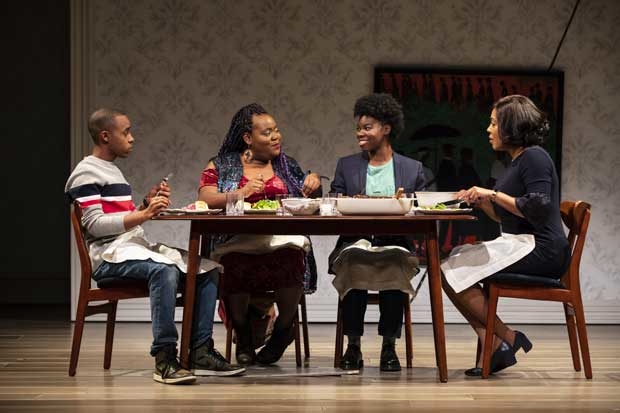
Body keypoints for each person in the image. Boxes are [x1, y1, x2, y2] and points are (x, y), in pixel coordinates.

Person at [65, 108, 245, 385]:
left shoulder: (110, 170)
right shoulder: (86, 173)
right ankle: (164, 358)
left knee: (207, 270)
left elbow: (117, 218)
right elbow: (96, 226)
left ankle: (199, 351)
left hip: (130, 248)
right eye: (125, 132)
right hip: (109, 259)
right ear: (105, 136)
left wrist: (144, 205)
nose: (132, 138)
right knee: (164, 271)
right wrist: (145, 215)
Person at [440, 95, 570, 376]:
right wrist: (484, 202)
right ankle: (495, 343)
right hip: (523, 243)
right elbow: (506, 218)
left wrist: (493, 193)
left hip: (543, 250)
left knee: (455, 268)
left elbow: (537, 208)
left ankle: (507, 339)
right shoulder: (517, 161)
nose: (488, 130)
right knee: (451, 263)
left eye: (494, 123)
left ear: (511, 126)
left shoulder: (535, 157)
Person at [198, 103, 321, 365]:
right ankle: (243, 335)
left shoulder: (287, 165)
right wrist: (239, 194)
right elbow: (205, 197)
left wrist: (314, 184)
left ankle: (282, 332)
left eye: (276, 130)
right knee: (234, 263)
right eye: (267, 132)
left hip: (280, 240)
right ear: (248, 138)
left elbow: (306, 198)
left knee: (291, 257)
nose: (276, 137)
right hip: (237, 240)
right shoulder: (223, 164)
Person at [329, 93, 426, 372]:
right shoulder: (347, 165)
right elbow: (335, 199)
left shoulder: (411, 168)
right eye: (358, 128)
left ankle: (389, 347)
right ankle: (353, 346)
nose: (360, 133)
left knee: (395, 264)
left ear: (386, 128)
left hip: (393, 241)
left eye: (367, 127)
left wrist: (405, 201)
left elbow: (418, 208)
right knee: (354, 262)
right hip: (355, 240)